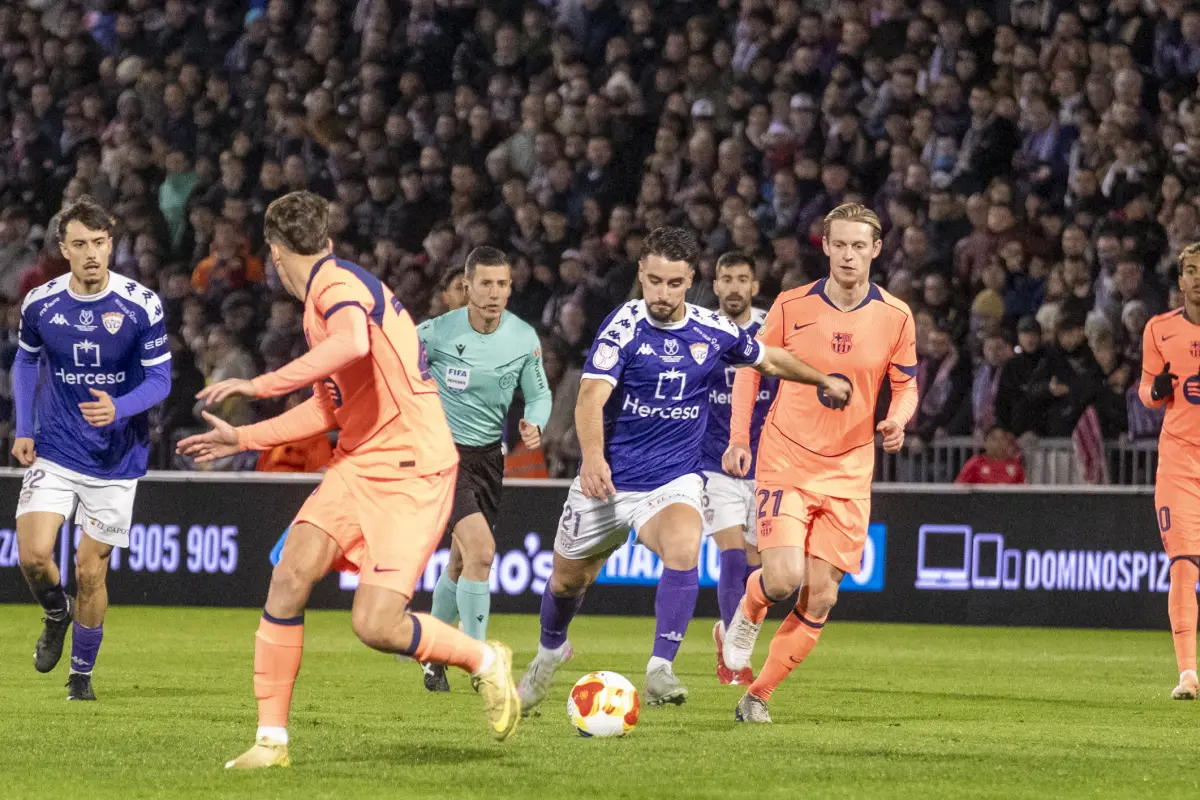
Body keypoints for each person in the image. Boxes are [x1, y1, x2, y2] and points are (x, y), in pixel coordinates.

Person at [176, 191, 520, 770]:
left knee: (375, 624)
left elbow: (354, 342)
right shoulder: (326, 300)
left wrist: (257, 386)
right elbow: (327, 410)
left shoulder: (336, 289)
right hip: (360, 463)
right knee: (289, 576)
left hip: (412, 466)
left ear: (278, 252)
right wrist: (244, 437)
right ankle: (271, 742)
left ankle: (484, 660)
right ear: (327, 241)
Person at [515, 226, 850, 713]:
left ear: (691, 281)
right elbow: (591, 397)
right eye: (654, 282)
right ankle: (549, 652)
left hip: (672, 479)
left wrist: (823, 378)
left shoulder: (710, 331)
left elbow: (770, 359)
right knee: (568, 581)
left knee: (684, 543)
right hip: (608, 480)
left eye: (674, 284)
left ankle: (660, 668)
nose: (663, 295)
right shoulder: (624, 326)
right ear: (641, 276)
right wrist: (592, 457)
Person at [722, 203, 918, 724]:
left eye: (860, 246)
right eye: (841, 245)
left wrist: (897, 420)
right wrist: (740, 436)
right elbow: (750, 368)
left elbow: (906, 384)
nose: (849, 255)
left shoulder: (896, 316)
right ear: (825, 247)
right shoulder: (790, 305)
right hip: (787, 457)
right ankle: (748, 611)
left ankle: (757, 696)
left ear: (876, 250)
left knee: (822, 594)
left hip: (850, 469)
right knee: (782, 578)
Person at [12, 196, 172, 701]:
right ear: (64, 248)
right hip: (57, 448)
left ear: (111, 244)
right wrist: (23, 427)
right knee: (35, 556)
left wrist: (120, 407)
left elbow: (162, 379)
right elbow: (24, 364)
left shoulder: (140, 304)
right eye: (80, 244)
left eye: (100, 243)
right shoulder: (41, 303)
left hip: (116, 456)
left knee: (89, 570)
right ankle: (55, 612)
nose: (91, 253)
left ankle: (80, 677)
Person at [415, 245, 551, 692]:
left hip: (490, 459)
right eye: (485, 284)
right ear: (466, 287)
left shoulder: (523, 338)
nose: (494, 293)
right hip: (443, 458)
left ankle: (432, 656)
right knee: (481, 552)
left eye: (502, 284)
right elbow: (391, 363)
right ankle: (477, 661)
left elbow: (539, 394)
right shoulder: (434, 334)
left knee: (459, 561)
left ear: (510, 287)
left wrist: (535, 421)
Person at [703, 251, 778, 685]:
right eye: (726, 278)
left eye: (742, 279)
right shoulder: (701, 329)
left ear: (753, 285)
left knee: (756, 566)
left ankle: (728, 636)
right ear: (715, 285)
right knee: (731, 556)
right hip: (715, 461)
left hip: (767, 464)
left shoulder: (773, 328)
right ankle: (737, 660)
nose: (733, 286)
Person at [1138, 241, 1200, 700]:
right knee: (1183, 565)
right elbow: (1146, 395)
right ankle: (1187, 673)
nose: (1198, 278)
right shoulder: (1159, 330)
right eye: (1191, 271)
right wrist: (1157, 389)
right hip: (1179, 463)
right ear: (1180, 281)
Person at [955, 426, 1025, 484]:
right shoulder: (975, 463)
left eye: (1002, 438)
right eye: (994, 439)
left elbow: (1024, 492)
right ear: (985, 442)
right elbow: (959, 487)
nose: (999, 442)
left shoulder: (1015, 465)